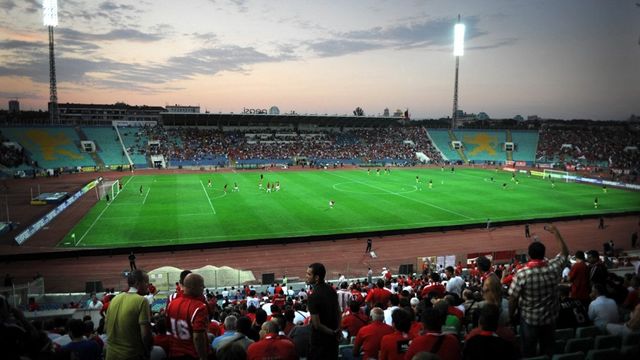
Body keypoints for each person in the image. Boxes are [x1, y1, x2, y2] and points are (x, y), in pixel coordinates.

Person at [508, 224, 569, 358]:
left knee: (528, 351)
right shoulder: (554, 267)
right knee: (548, 350)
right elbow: (565, 253)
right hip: (550, 319)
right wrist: (556, 232)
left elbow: (512, 298)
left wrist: (510, 316)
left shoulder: (522, 273)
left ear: (529, 255)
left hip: (530, 320)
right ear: (543, 254)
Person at [105, 269, 153, 360]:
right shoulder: (142, 301)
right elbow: (145, 335)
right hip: (131, 355)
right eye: (146, 282)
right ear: (137, 283)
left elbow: (105, 327)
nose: (148, 285)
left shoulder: (115, 299)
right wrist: (148, 350)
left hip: (110, 355)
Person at [166, 273, 209, 360]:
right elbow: (198, 337)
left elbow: (168, 328)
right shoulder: (199, 307)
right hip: (192, 354)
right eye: (201, 285)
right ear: (193, 287)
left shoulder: (171, 304)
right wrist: (203, 357)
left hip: (174, 352)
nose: (204, 287)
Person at [306, 262, 341, 360]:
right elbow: (338, 311)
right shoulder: (332, 290)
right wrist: (338, 329)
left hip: (320, 342)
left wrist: (333, 332)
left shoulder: (313, 296)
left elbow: (317, 324)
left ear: (317, 277)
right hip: (333, 341)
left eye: (309, 274)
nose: (306, 276)